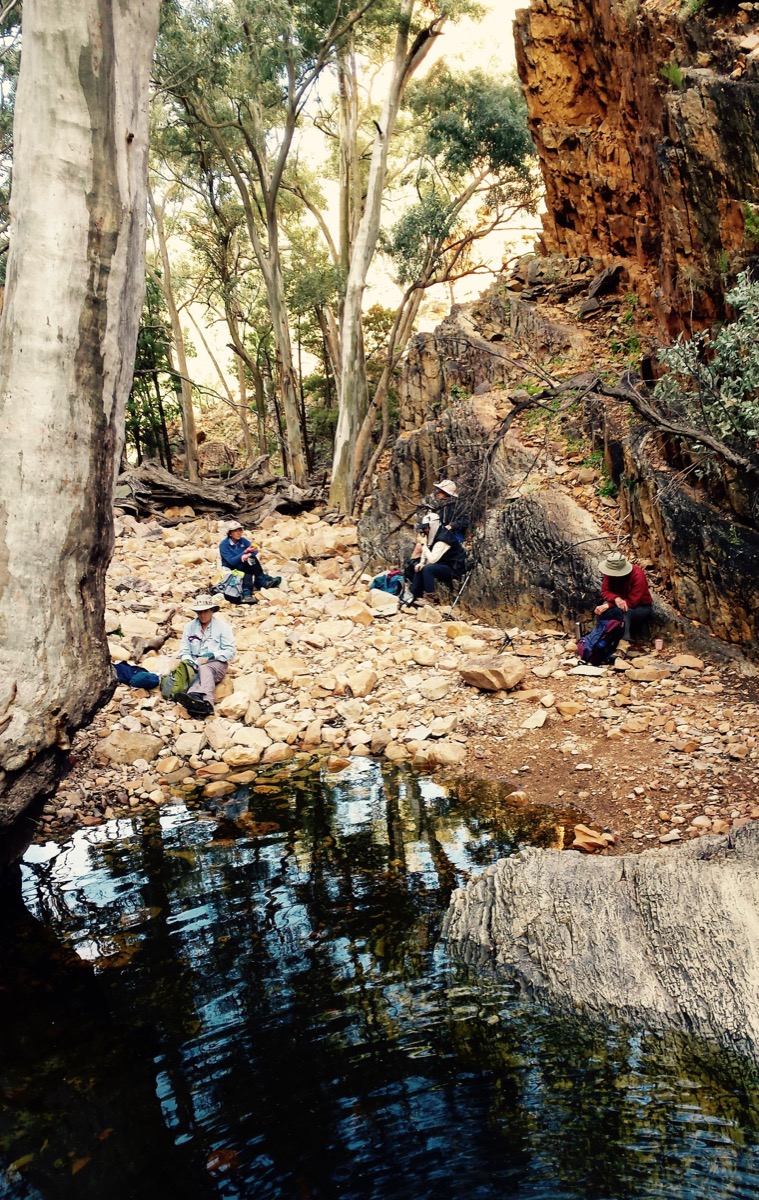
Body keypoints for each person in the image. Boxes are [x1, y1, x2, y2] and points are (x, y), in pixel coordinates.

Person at [406, 479, 468, 605]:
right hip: (440, 536)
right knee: (420, 565)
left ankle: (430, 598)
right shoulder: (440, 508)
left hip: (451, 540)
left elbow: (465, 521)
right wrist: (422, 562)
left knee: (428, 567)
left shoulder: (459, 506)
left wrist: (452, 526)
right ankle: (413, 595)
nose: (438, 493)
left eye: (441, 491)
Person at [175, 594, 236, 718]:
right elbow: (184, 650)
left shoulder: (223, 627)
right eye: (199, 612)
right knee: (194, 669)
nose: (202, 615)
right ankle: (196, 702)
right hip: (195, 662)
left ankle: (207, 701)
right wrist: (189, 661)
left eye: (205, 611)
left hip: (216, 663)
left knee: (204, 669)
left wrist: (214, 654)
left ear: (212, 610)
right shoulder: (189, 627)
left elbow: (230, 651)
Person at [595, 550, 654, 645]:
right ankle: (599, 638)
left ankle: (623, 644)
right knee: (602, 609)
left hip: (640, 607)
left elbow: (633, 601)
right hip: (616, 603)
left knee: (624, 613)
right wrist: (615, 599)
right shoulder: (609, 573)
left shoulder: (637, 575)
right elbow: (605, 591)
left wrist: (609, 605)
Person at [218, 520, 281, 605]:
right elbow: (231, 561)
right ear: (230, 533)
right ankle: (251, 589)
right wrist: (243, 554)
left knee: (251, 559)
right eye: (235, 531)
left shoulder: (243, 540)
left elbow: (254, 551)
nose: (238, 533)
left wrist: (250, 552)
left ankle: (259, 581)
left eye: (240, 530)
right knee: (246, 566)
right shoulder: (224, 545)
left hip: (243, 565)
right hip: (231, 568)